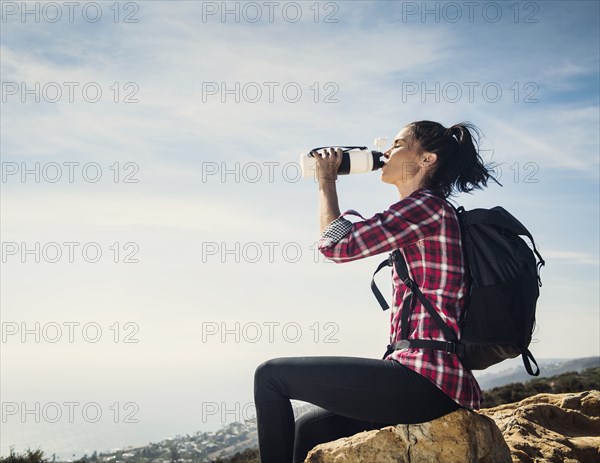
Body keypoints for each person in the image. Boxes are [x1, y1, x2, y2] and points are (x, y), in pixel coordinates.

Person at [253, 120, 502, 463]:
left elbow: (337, 247)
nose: (386, 152)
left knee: (270, 376)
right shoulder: (427, 211)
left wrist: (327, 180)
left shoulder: (426, 207)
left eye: (398, 144)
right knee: (310, 429)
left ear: (427, 159)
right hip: (423, 381)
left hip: (425, 380)